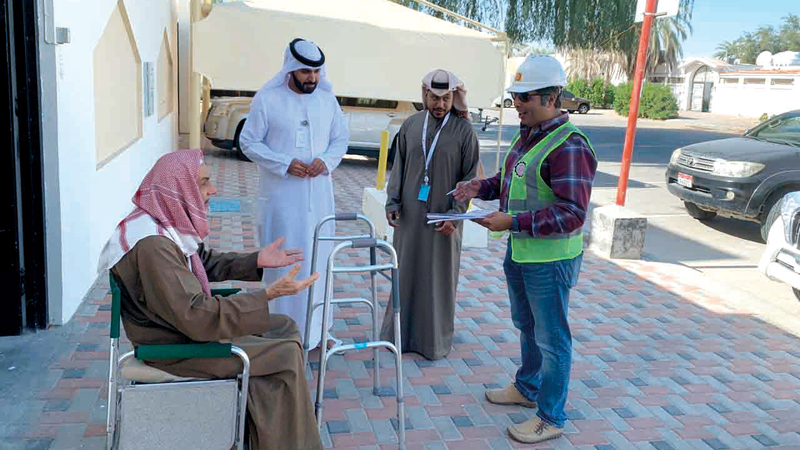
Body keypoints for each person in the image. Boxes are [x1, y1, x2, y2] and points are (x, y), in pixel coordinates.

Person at [97, 150, 323, 450]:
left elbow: (201, 261)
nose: (213, 190)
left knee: (283, 326)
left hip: (179, 330)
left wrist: (256, 260)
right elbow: (198, 317)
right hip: (174, 347)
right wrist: (267, 295)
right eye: (203, 183)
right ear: (179, 187)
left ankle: (268, 431)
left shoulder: (157, 223)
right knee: (284, 355)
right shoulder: (153, 247)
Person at [453, 55, 598, 444]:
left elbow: (572, 214)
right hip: (522, 253)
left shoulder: (570, 146)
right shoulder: (528, 134)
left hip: (550, 261)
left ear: (551, 97)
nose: (516, 103)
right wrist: (479, 187)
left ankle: (550, 417)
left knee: (553, 340)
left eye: (524, 97)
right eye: (515, 96)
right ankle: (527, 387)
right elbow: (510, 181)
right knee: (527, 326)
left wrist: (512, 222)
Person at [239, 38, 349, 350]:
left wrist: (326, 160)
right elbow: (248, 142)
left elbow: (341, 139)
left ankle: (316, 333)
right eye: (305, 72)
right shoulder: (268, 99)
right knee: (283, 265)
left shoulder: (327, 100)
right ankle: (281, 333)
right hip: (282, 203)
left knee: (319, 261)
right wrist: (284, 163)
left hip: (319, 201)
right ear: (291, 69)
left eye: (316, 72)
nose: (312, 78)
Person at [381, 69, 481, 360]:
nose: (440, 104)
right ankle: (398, 336)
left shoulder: (464, 131)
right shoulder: (411, 125)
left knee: (438, 279)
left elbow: (470, 177)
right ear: (424, 95)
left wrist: (456, 215)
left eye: (446, 99)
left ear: (454, 98)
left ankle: (433, 342)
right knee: (406, 274)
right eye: (435, 98)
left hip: (445, 219)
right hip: (410, 216)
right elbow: (398, 168)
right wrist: (392, 202)